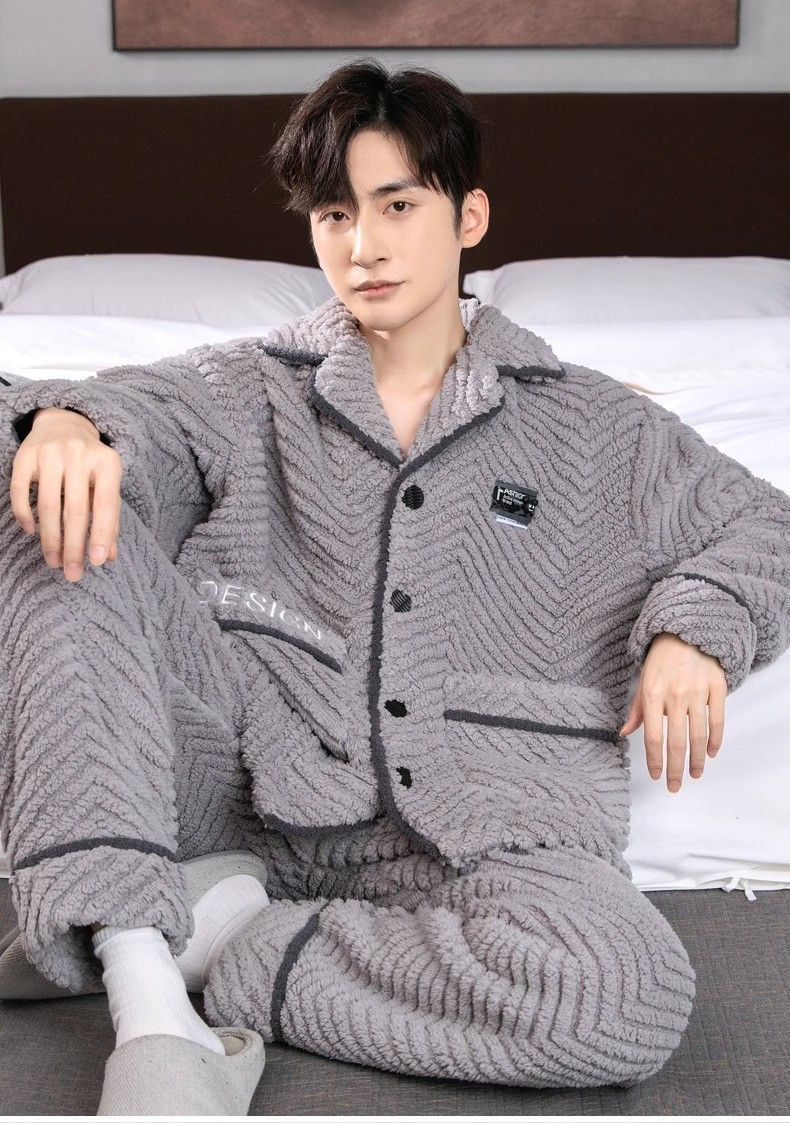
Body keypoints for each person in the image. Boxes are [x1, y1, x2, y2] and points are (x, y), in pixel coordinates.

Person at [2, 58, 790, 1109]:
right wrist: (62, 420)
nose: (362, 245)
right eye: (335, 214)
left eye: (397, 205)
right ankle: (146, 989)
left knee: (622, 992)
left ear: (470, 217)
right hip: (237, 798)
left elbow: (765, 525)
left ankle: (225, 939)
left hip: (494, 833)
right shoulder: (246, 386)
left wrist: (697, 624)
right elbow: (127, 414)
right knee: (43, 492)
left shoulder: (598, 422)